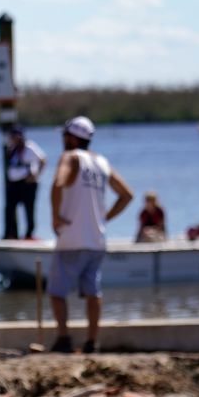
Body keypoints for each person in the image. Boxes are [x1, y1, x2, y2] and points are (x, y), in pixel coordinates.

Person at [48, 116, 133, 354]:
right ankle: (92, 342)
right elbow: (127, 194)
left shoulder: (70, 157)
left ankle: (63, 338)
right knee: (93, 292)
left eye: (64, 135)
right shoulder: (102, 162)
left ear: (73, 137)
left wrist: (55, 216)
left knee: (56, 292)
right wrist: (104, 217)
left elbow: (58, 183)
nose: (62, 140)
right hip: (96, 238)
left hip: (71, 237)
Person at [3, 125, 47, 240]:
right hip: (14, 184)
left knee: (29, 209)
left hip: (27, 184)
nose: (14, 138)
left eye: (16, 136)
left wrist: (36, 175)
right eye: (12, 136)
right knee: (9, 209)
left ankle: (29, 234)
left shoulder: (29, 147)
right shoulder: (10, 148)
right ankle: (11, 234)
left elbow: (43, 160)